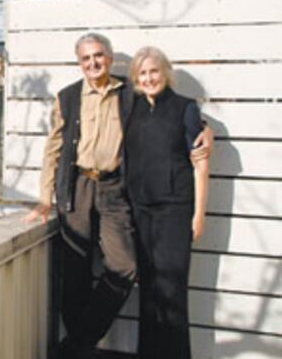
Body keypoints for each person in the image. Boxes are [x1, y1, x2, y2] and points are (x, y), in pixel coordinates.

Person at [26, 33, 212, 359]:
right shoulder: (67, 97)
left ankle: (76, 342)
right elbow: (53, 149)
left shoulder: (128, 92)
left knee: (124, 266)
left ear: (109, 58)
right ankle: (81, 349)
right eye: (86, 58)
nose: (93, 63)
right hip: (78, 187)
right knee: (76, 270)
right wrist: (45, 197)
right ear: (79, 63)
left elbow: (171, 111)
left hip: (115, 189)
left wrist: (205, 129)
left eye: (99, 56)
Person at [125, 47, 209, 359]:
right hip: (140, 211)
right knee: (148, 292)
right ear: (136, 78)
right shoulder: (131, 109)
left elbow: (201, 164)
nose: (149, 78)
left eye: (154, 71)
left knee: (172, 291)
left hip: (175, 212)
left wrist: (199, 214)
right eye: (142, 73)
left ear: (166, 72)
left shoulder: (185, 108)